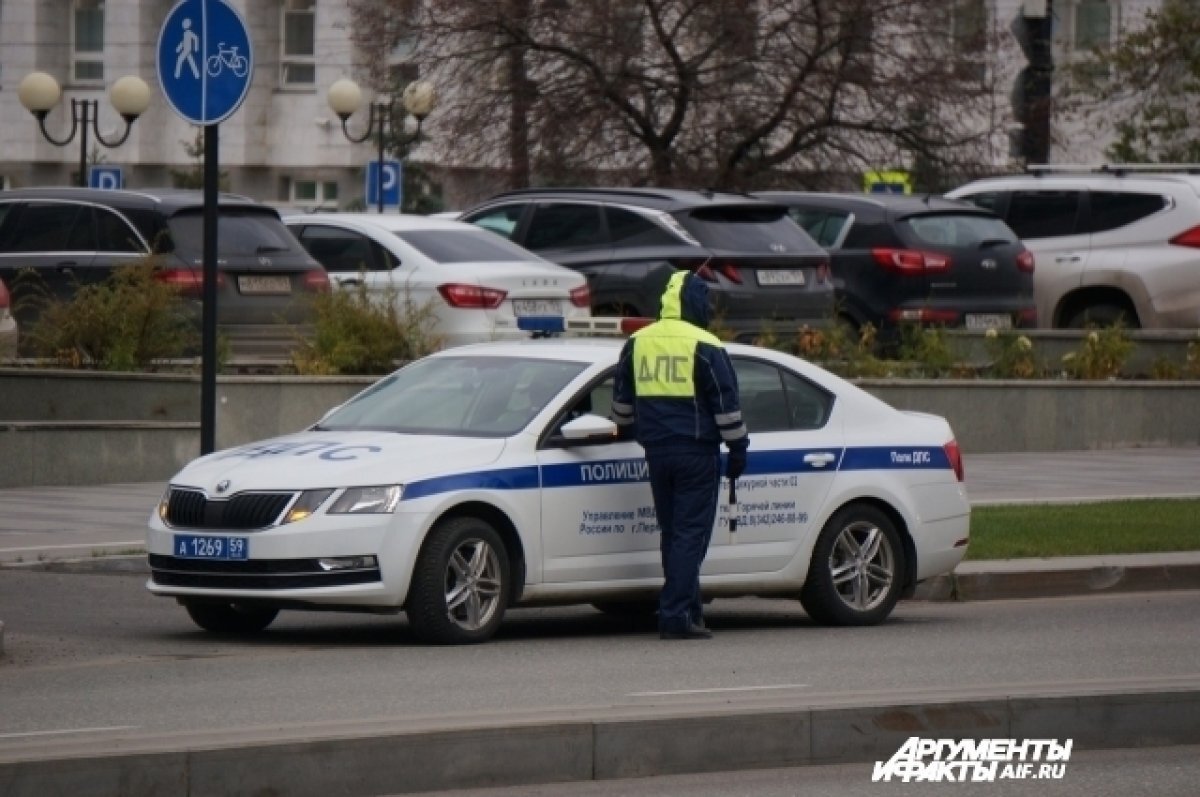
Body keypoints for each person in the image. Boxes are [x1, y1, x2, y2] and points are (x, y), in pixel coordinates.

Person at [612, 270, 749, 640]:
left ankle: (690, 609)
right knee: (691, 535)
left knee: (673, 534)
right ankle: (675, 615)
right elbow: (727, 408)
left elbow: (621, 406)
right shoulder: (705, 344)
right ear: (695, 303)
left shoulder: (637, 342)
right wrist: (738, 449)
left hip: (656, 453)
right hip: (697, 453)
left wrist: (631, 433)